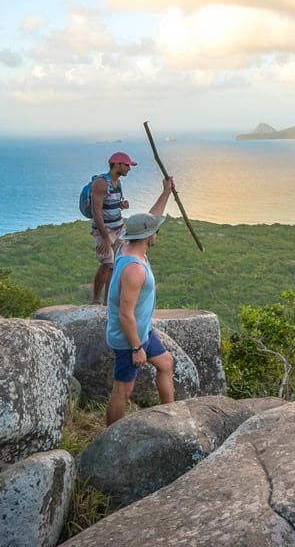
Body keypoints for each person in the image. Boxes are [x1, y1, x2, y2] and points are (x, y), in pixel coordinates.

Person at [105, 177, 175, 426]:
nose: (157, 233)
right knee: (122, 392)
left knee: (165, 363)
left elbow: (150, 219)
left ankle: (172, 416)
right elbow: (126, 313)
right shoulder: (135, 269)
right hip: (128, 337)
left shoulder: (126, 246)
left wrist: (166, 192)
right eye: (154, 231)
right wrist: (137, 348)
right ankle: (109, 437)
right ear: (148, 236)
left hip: (142, 330)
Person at [90, 151, 136, 305]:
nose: (129, 168)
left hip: (119, 227)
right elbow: (96, 211)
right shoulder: (101, 183)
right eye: (127, 165)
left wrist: (121, 206)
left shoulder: (118, 183)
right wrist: (104, 236)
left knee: (115, 266)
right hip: (105, 230)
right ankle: (96, 299)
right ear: (117, 165)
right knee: (107, 264)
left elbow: (109, 205)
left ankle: (107, 302)